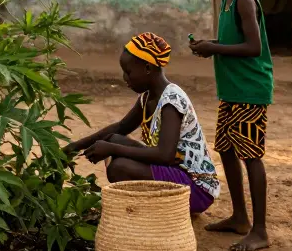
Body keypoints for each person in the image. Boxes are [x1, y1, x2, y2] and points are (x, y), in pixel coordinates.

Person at [65, 33, 220, 215]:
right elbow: (120, 128)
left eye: (128, 72)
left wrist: (112, 149)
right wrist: (74, 147)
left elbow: (164, 155)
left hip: (195, 189)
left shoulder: (171, 101)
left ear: (147, 68)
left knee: (119, 167)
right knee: (114, 138)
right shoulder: (147, 97)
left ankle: (146, 215)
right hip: (175, 172)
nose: (125, 77)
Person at [189, 0, 274, 251]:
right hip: (232, 90)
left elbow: (254, 47)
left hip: (250, 90)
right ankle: (240, 217)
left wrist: (215, 49)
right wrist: (210, 45)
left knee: (251, 156)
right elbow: (234, 40)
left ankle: (260, 230)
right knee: (226, 149)